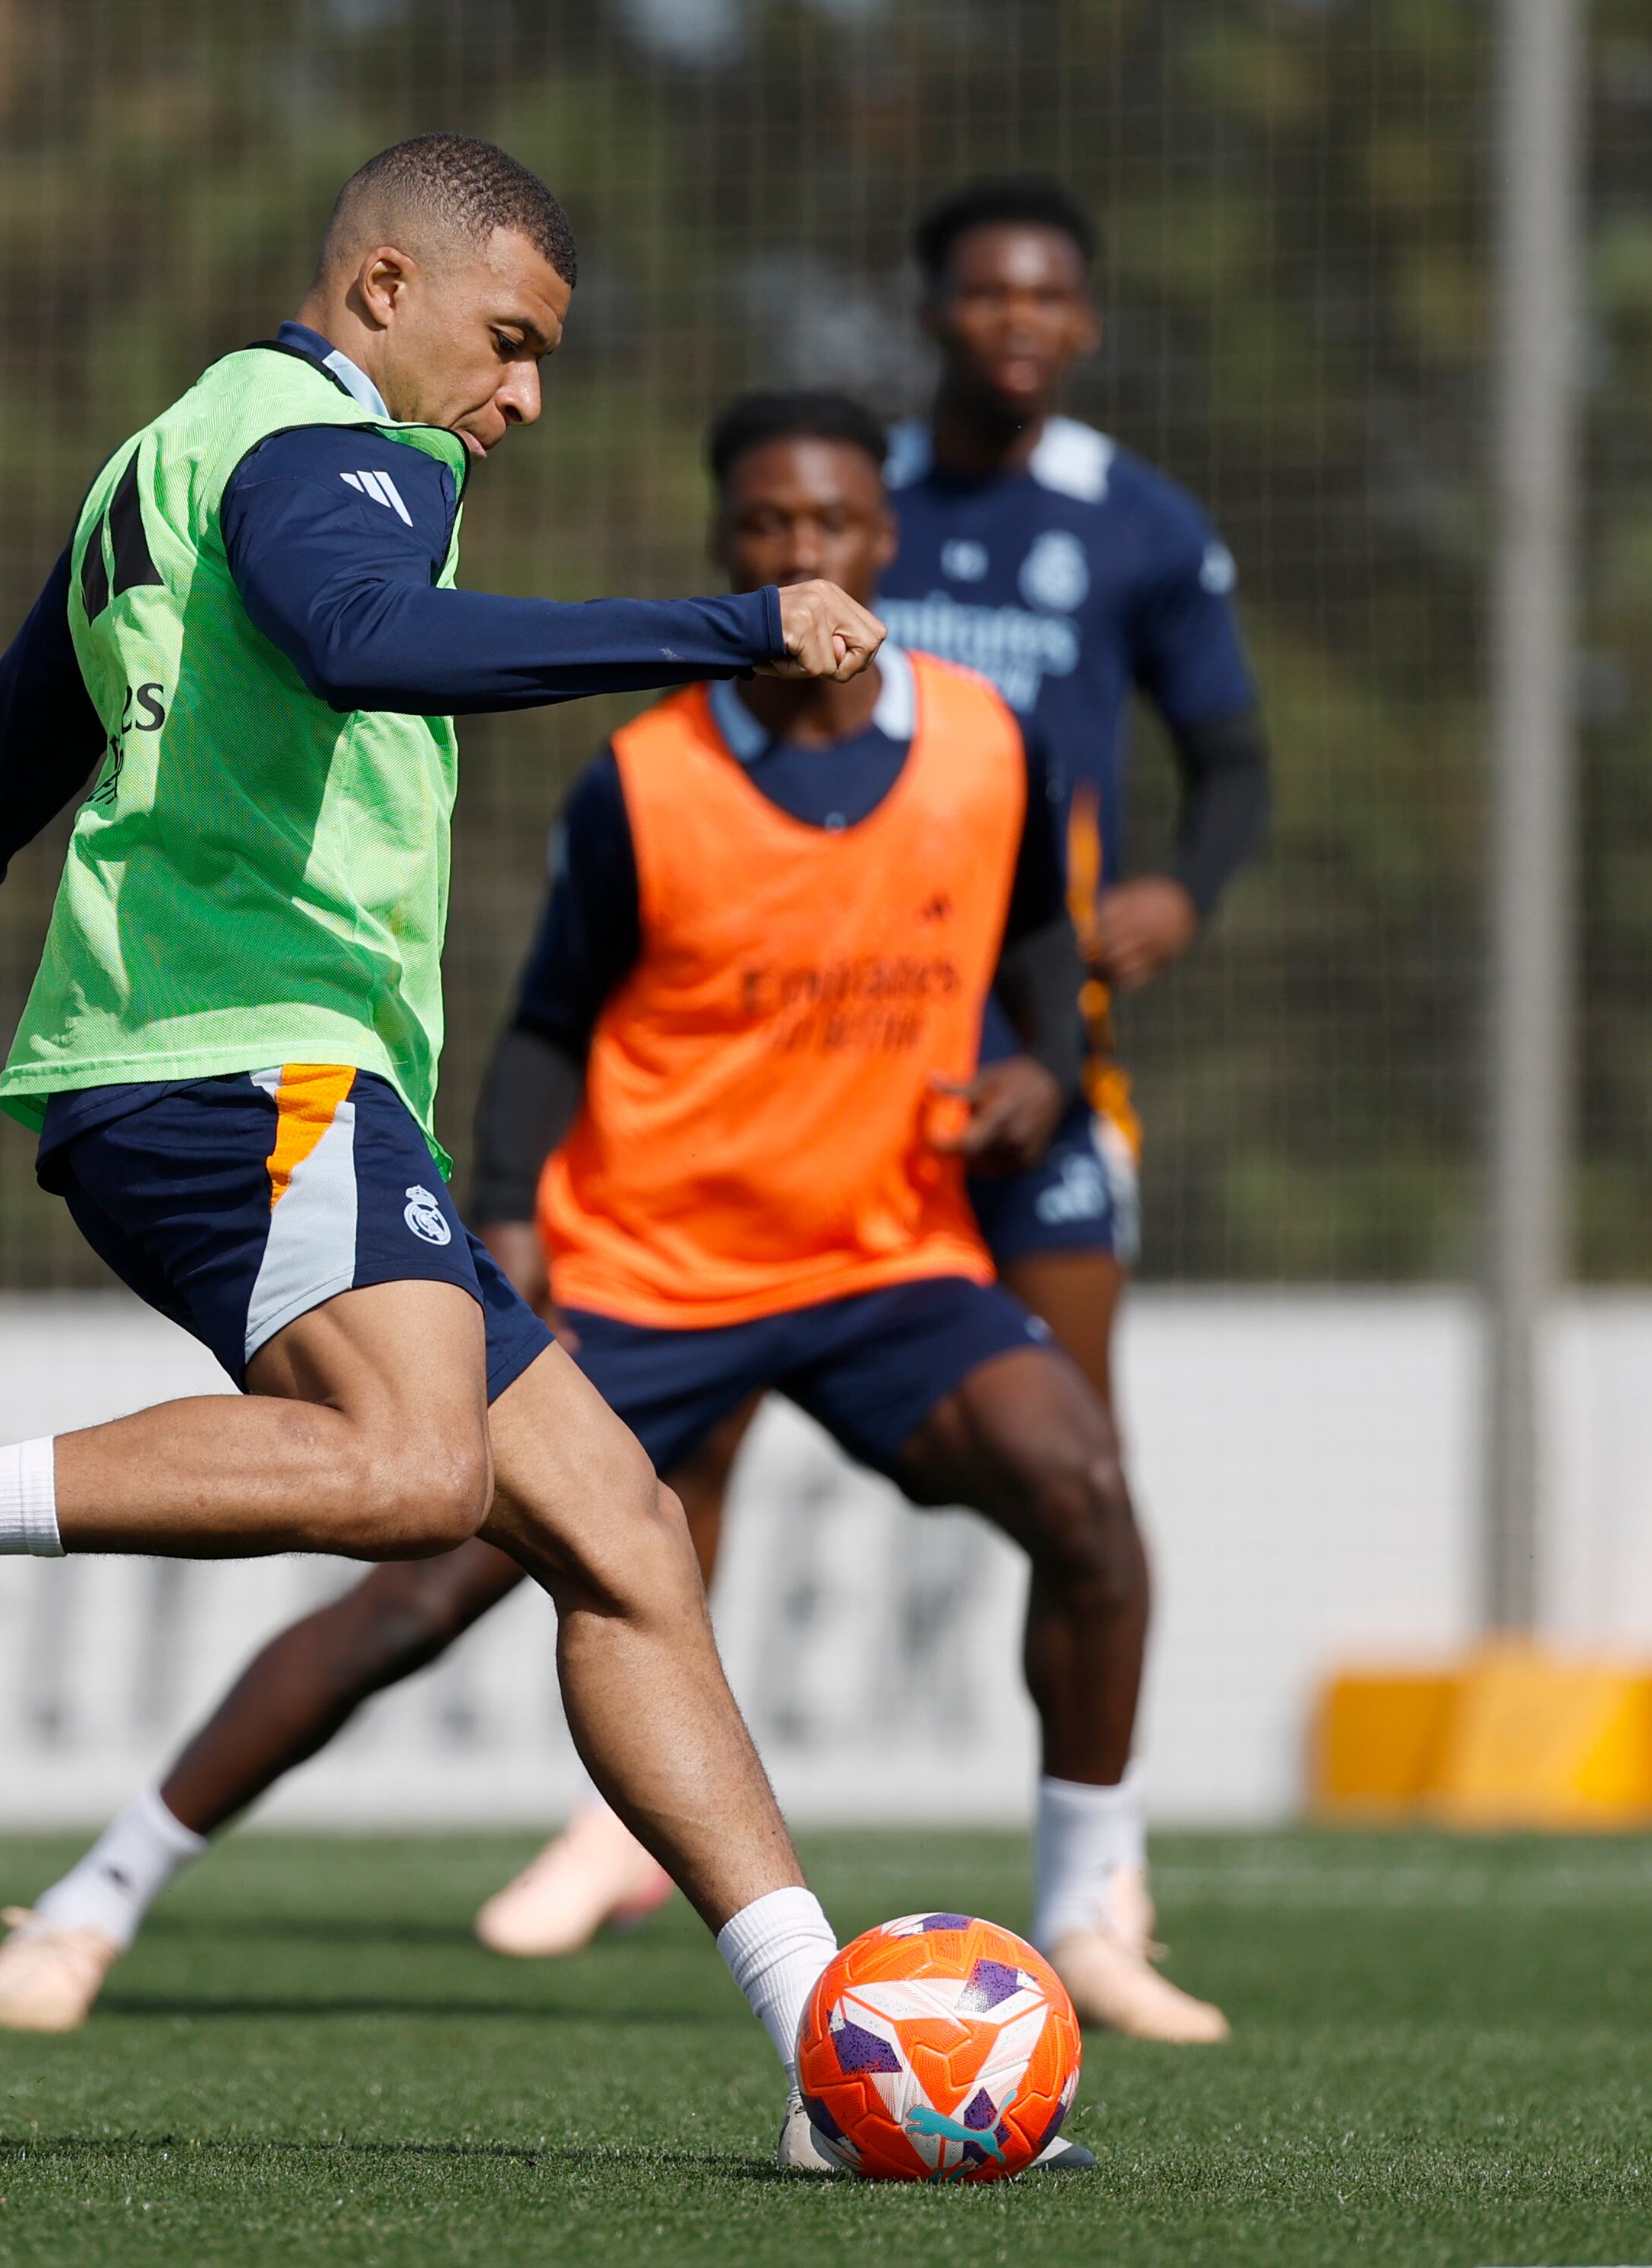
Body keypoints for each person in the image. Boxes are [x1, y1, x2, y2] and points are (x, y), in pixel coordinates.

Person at [0, 136, 889, 2166]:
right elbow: (359, 641)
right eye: (507, 340)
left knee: (622, 1535)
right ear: (382, 285)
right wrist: (730, 625)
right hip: (242, 1063)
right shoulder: (337, 447)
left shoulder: (164, 461)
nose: (523, 398)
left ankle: (832, 2056)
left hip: (233, 1074)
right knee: (414, 1471)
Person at [0, 394, 1220, 2076]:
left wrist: (1042, 1076)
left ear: (884, 542)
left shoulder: (990, 745)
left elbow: (1038, 957)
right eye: (766, 524)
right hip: (650, 1269)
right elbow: (549, 1025)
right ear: (728, 544)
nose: (800, 548)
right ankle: (95, 1897)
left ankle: (1090, 1915)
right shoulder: (647, 779)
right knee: (413, 1589)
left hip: (882, 1260)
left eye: (830, 523)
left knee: (1084, 1491)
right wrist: (505, 1220)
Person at [470, 175, 1269, 1975]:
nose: (1017, 324)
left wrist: (1174, 894)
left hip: (1024, 1055)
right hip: (813, 1067)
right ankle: (628, 1818)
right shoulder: (839, 488)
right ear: (930, 316)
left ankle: (1099, 1893)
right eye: (984, 294)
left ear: (1085, 320)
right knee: (681, 1450)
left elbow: (1229, 759)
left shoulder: (1135, 522)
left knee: (1074, 1467)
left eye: (1048, 297)